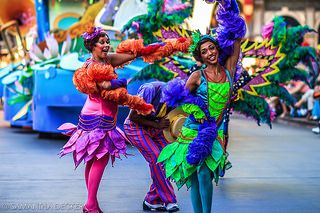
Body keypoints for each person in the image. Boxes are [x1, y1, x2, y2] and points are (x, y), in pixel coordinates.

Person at [157, 0, 245, 212]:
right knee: (195, 176)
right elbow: (178, 100)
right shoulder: (197, 76)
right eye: (204, 51)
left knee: (206, 173)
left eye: (212, 48)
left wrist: (229, 9)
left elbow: (237, 39)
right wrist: (196, 111)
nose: (210, 53)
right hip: (194, 129)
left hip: (215, 130)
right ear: (201, 56)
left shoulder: (229, 71)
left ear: (217, 49)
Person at [58, 26, 157, 213]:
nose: (106, 45)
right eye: (102, 42)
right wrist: (123, 82)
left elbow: (130, 55)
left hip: (94, 116)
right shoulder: (92, 67)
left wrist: (149, 48)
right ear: (92, 46)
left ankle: (91, 204)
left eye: (107, 42)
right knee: (101, 158)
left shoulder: (106, 60)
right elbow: (106, 84)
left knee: (92, 159)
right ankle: (90, 204)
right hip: (99, 119)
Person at [123, 81, 179, 212]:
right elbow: (133, 117)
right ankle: (169, 200)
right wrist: (157, 125)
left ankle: (151, 200)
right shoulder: (149, 90)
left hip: (155, 127)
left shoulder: (176, 97)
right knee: (156, 157)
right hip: (135, 127)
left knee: (167, 158)